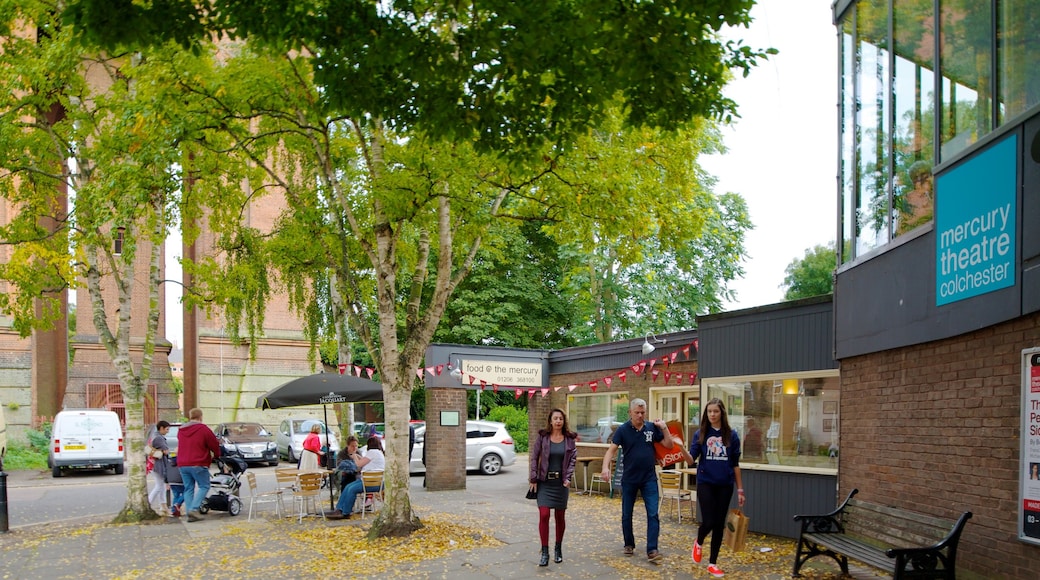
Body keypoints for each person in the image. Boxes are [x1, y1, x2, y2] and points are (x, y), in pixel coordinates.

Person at [599, 398, 674, 564]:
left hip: (649, 478)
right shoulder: (622, 430)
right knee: (627, 513)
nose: (640, 415)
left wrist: (665, 428)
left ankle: (652, 549)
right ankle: (629, 543)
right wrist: (606, 468)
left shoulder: (651, 428)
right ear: (630, 413)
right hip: (629, 479)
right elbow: (611, 451)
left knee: (653, 513)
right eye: (637, 413)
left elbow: (669, 445)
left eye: (643, 412)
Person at [689, 398, 745, 578]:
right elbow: (691, 460)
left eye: (716, 411)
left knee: (719, 525)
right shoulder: (700, 434)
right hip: (706, 482)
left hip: (725, 484)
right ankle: (699, 542)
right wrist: (679, 447)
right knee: (709, 521)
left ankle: (712, 563)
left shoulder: (731, 435)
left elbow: (735, 464)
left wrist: (740, 490)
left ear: (722, 413)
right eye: (709, 411)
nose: (712, 414)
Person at [528, 408, 577, 566]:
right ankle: (544, 552)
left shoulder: (569, 439)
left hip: (561, 484)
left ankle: (558, 548)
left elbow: (572, 460)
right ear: (550, 420)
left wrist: (568, 477)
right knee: (543, 515)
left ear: (564, 421)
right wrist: (533, 477)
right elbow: (534, 457)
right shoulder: (543, 437)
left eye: (560, 419)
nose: (558, 421)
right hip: (544, 482)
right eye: (555, 418)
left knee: (560, 517)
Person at [178, 407, 221, 522]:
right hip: (198, 462)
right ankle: (194, 509)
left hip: (182, 463)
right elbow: (214, 444)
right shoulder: (203, 429)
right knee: (204, 486)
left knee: (188, 488)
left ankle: (189, 512)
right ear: (201, 417)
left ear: (190, 417)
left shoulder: (181, 430)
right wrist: (217, 455)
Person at [327, 436, 385, 519]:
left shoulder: (372, 452)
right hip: (375, 482)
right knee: (348, 486)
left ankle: (345, 511)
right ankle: (340, 509)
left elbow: (358, 464)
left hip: (369, 483)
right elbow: (365, 461)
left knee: (351, 489)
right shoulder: (378, 453)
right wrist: (358, 457)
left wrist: (354, 456)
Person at [147, 421, 171, 513]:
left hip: (154, 464)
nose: (167, 431)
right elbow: (166, 451)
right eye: (167, 429)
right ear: (161, 428)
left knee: (161, 485)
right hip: (159, 465)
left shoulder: (154, 436)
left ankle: (163, 505)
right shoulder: (159, 438)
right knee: (159, 485)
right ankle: (149, 501)